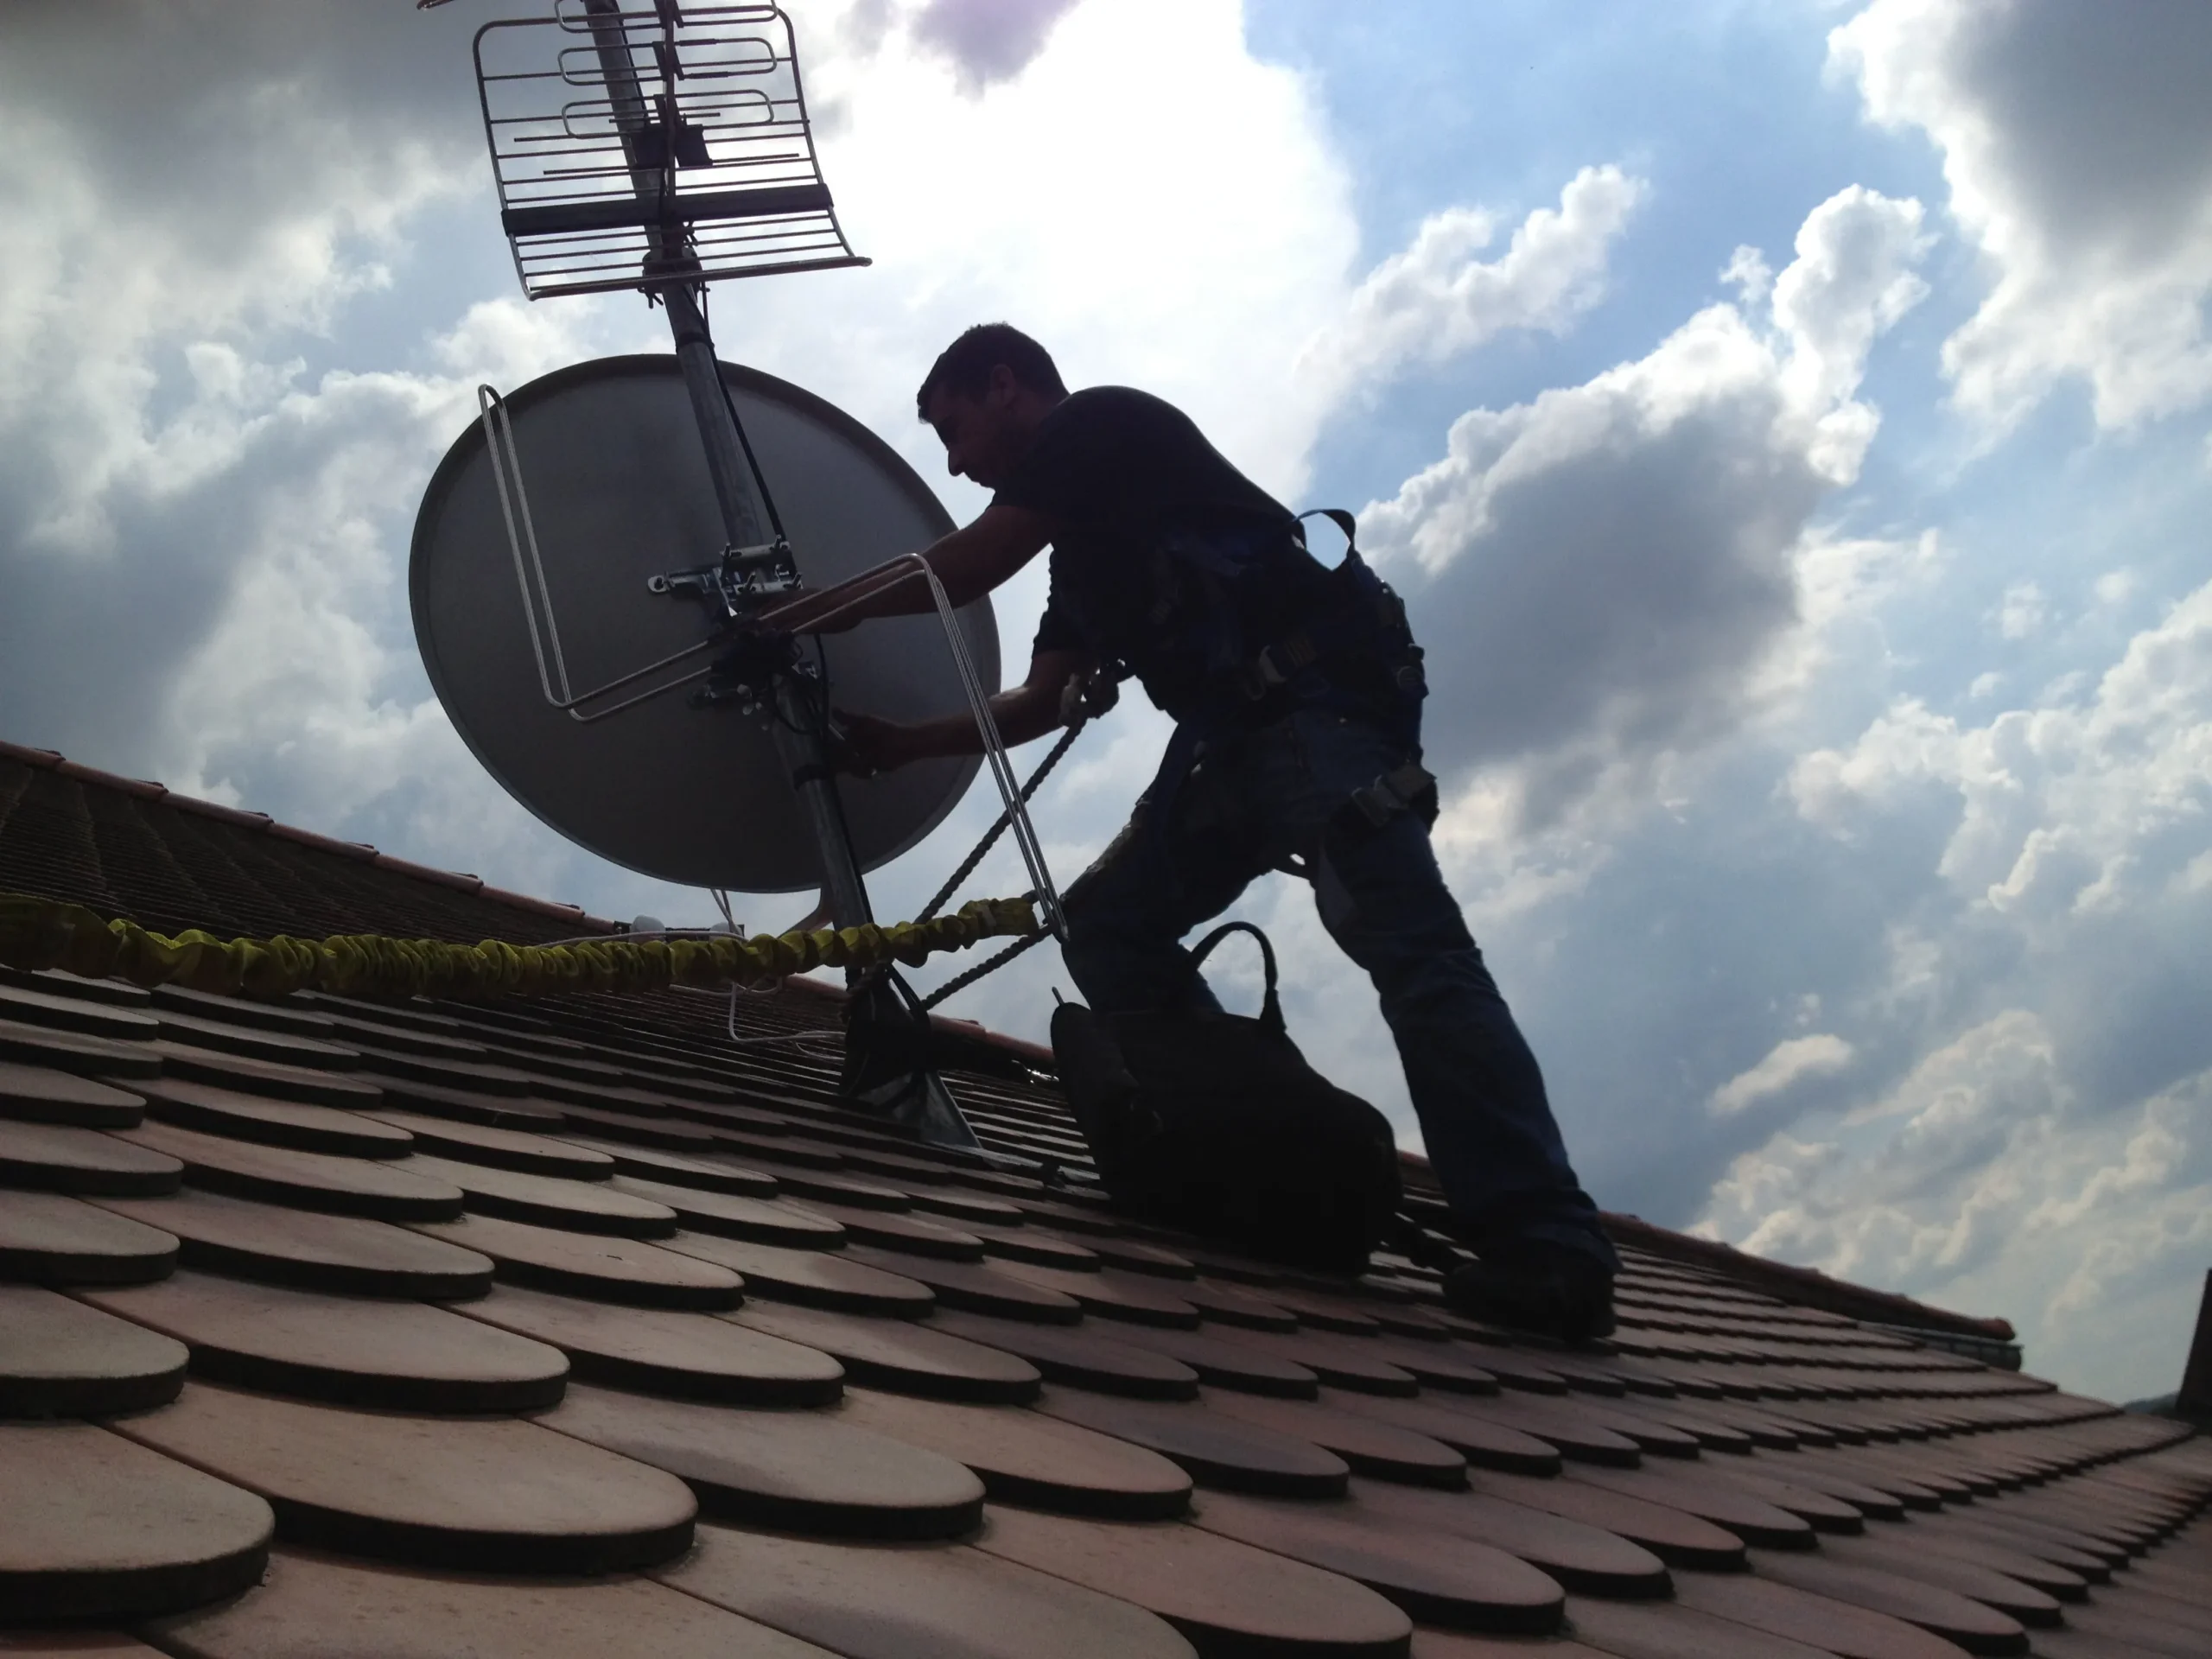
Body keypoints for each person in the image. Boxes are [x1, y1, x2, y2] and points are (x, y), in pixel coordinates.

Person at [766, 322, 1618, 1340]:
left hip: (1316, 713)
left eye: (954, 430)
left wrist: (805, 615)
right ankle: (1250, 1156)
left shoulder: (1097, 424)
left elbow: (973, 563)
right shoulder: (1083, 558)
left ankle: (1548, 1250)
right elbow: (1038, 699)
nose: (955, 463)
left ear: (1003, 385)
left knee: (1414, 954)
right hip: (1234, 746)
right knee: (1108, 927)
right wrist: (906, 745)